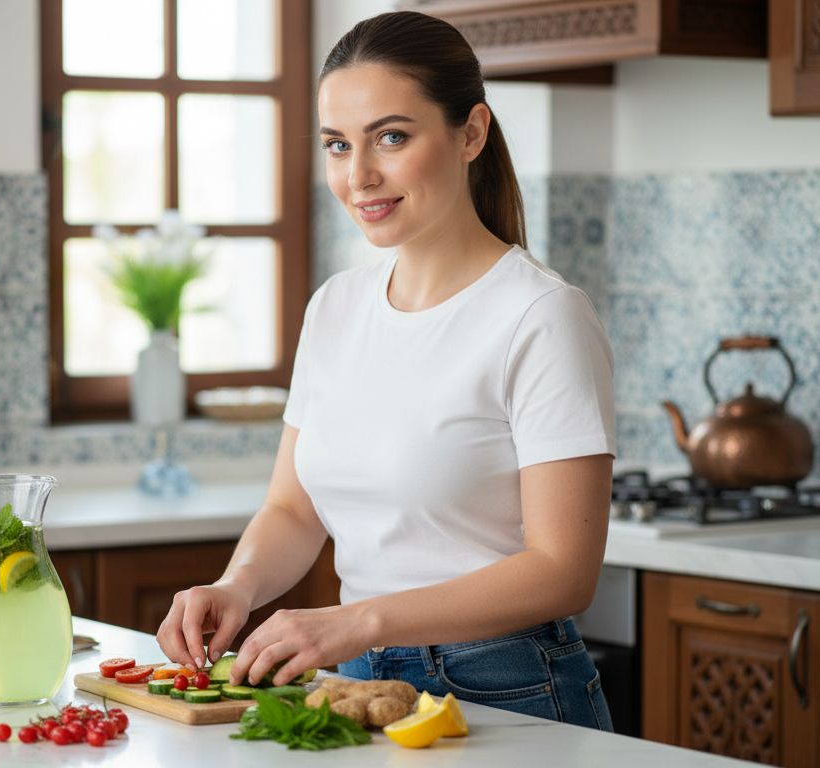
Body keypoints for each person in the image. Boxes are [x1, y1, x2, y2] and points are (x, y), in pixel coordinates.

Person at [156, 10, 616, 729]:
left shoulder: (541, 314)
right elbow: (294, 509)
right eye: (338, 145)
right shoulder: (336, 307)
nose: (358, 175)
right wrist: (237, 585)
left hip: (508, 684)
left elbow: (564, 570)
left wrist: (358, 623)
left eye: (391, 137)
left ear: (471, 133)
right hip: (355, 683)